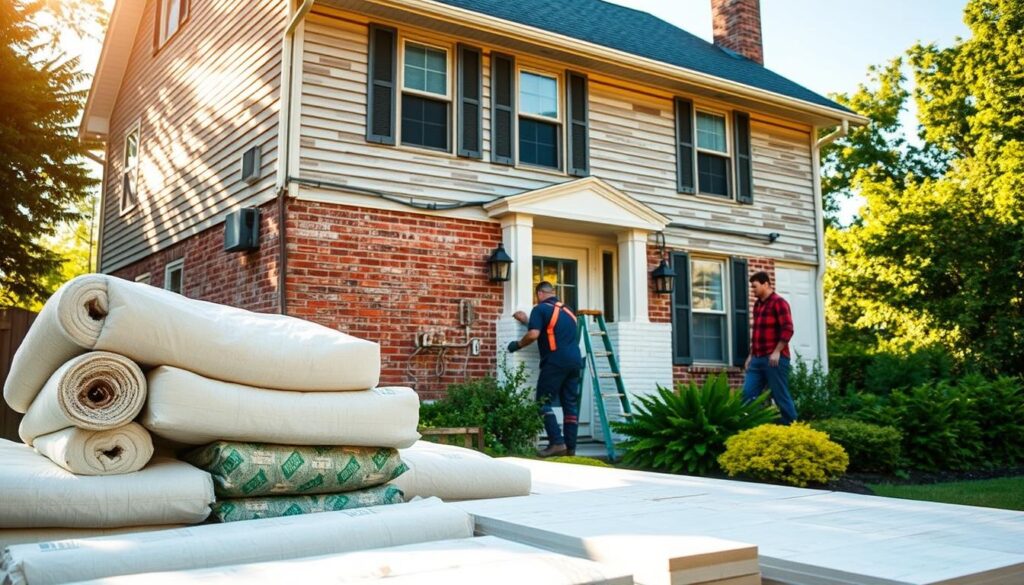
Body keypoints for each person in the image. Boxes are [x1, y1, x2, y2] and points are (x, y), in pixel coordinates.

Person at [507, 281, 583, 457]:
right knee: (569, 404)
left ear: (540, 293)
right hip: (575, 360)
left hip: (556, 360)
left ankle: (557, 442)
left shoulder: (540, 309)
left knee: (542, 402)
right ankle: (570, 448)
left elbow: (534, 334)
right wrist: (527, 321)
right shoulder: (569, 311)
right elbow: (551, 329)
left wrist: (517, 345)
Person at [742, 271, 798, 424]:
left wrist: (777, 351)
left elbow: (788, 329)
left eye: (755, 287)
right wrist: (750, 356)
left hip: (774, 359)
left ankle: (793, 429)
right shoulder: (758, 305)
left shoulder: (779, 303)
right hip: (757, 359)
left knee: (780, 396)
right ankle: (750, 428)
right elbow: (757, 333)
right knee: (747, 394)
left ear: (765, 284)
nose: (753, 290)